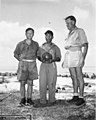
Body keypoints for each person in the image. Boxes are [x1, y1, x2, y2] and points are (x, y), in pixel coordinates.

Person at [62, 16, 88, 107]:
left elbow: (85, 45)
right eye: (66, 23)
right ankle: (75, 95)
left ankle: (81, 98)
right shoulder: (69, 33)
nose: (67, 25)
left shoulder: (80, 31)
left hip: (77, 53)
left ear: (73, 22)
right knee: (73, 76)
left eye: (68, 23)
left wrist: (83, 58)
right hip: (70, 54)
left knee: (79, 76)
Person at [34, 30, 61, 107]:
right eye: (46, 36)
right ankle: (42, 100)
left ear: (52, 37)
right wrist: (41, 59)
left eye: (49, 36)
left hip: (52, 65)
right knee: (42, 82)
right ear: (45, 37)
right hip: (43, 65)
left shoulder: (55, 47)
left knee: (52, 83)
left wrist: (53, 59)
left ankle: (52, 100)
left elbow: (59, 58)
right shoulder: (41, 47)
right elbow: (38, 56)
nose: (48, 37)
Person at [14, 28, 39, 106]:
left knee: (30, 83)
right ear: (25, 34)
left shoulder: (36, 44)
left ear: (33, 34)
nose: (30, 35)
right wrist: (19, 59)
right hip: (23, 65)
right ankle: (22, 99)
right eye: (28, 33)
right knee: (22, 82)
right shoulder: (20, 44)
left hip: (32, 65)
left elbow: (38, 54)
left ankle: (29, 99)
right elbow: (15, 54)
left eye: (31, 33)